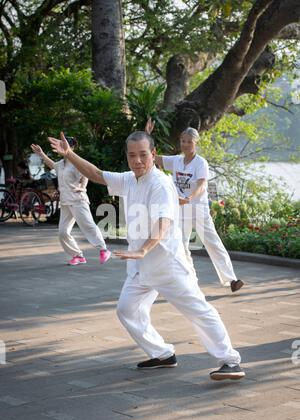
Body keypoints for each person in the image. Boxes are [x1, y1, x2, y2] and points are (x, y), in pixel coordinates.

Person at [47, 131, 245, 381]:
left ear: (153, 154)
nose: (137, 160)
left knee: (198, 310)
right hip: (140, 267)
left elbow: (163, 221)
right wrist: (69, 154)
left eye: (143, 155)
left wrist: (143, 249)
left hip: (167, 265)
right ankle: (162, 354)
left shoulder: (160, 184)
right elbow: (96, 175)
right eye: (132, 155)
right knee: (127, 310)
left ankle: (230, 361)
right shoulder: (129, 179)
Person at [147, 120, 243, 293]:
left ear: (195, 143)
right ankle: (191, 280)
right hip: (181, 211)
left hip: (198, 209)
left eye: (189, 142)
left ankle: (231, 280)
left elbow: (202, 185)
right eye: (183, 141)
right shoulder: (175, 161)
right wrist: (147, 136)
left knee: (212, 242)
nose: (185, 144)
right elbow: (152, 157)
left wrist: (189, 197)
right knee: (181, 244)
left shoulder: (200, 163)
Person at [31, 138, 111, 266]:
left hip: (78, 200)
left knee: (88, 225)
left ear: (71, 147)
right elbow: (52, 164)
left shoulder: (76, 163)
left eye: (64, 145)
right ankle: (78, 256)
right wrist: (41, 153)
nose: (61, 147)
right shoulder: (61, 164)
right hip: (65, 202)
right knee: (63, 232)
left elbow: (86, 174)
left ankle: (103, 249)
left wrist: (83, 186)